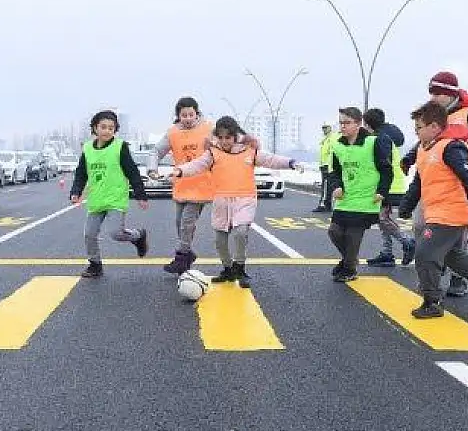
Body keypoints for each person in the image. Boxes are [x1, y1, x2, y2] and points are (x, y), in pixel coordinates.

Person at [398, 101, 468, 318]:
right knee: (454, 258)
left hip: (451, 214)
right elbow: (418, 183)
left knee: (425, 253)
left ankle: (432, 302)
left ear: (435, 127)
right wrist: (406, 205)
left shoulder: (451, 148)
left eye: (419, 127)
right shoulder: (423, 149)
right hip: (436, 212)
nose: (416, 132)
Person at [170, 116, 302, 288]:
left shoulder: (249, 151)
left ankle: (239, 267)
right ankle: (227, 269)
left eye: (228, 137)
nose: (224, 141)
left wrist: (290, 163)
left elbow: (271, 159)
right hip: (221, 201)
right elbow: (197, 165)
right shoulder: (213, 152)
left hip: (245, 199)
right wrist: (180, 170)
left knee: (240, 232)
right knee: (220, 240)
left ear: (235, 136)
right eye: (221, 137)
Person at [400, 71, 468, 297]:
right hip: (435, 181)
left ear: (450, 93)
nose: (433, 97)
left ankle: (456, 279)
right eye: (431, 93)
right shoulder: (435, 116)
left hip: (460, 182)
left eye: (438, 93)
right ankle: (435, 274)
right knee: (422, 227)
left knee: (455, 238)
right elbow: (425, 141)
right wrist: (409, 158)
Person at [69, 110, 149, 278]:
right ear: (95, 128)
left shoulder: (120, 147)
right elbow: (81, 173)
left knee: (115, 233)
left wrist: (140, 194)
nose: (107, 131)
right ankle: (95, 264)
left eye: (111, 128)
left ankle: (138, 236)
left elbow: (132, 172)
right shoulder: (88, 149)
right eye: (103, 127)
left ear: (115, 130)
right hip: (96, 199)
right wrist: (76, 191)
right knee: (89, 234)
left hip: (115, 198)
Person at [147, 97, 214, 275]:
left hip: (202, 184)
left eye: (191, 114)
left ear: (197, 113)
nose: (188, 118)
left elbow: (229, 137)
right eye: (183, 115)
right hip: (181, 184)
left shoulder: (209, 128)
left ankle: (182, 257)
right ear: (178, 115)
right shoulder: (173, 132)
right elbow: (156, 151)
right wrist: (152, 168)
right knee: (179, 223)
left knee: (187, 222)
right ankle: (188, 252)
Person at [326, 107, 395, 282]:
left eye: (347, 123)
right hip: (345, 198)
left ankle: (349, 269)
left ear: (358, 124)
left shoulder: (373, 142)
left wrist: (382, 191)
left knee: (352, 235)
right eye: (341, 123)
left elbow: (386, 169)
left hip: (367, 198)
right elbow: (334, 172)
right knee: (334, 232)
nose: (343, 126)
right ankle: (350, 260)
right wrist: (336, 186)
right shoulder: (337, 145)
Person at [362, 107, 416, 267]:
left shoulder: (381, 138)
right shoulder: (386, 136)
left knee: (382, 218)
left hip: (389, 185)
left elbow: (382, 164)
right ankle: (387, 253)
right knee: (382, 219)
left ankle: (407, 242)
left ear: (368, 123)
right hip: (393, 184)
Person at [313, 122, 340, 212]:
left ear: (330, 128)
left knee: (326, 186)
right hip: (324, 165)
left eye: (326, 127)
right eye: (323, 128)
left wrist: (329, 166)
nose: (324, 129)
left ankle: (323, 204)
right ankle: (327, 204)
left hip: (328, 166)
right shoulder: (325, 139)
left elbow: (333, 152)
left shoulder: (333, 137)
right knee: (328, 186)